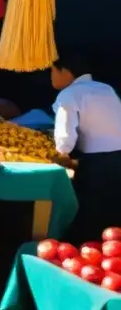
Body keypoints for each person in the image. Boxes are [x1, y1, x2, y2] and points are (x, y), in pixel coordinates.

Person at [50, 52, 121, 241]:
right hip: (117, 161)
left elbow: (64, 135)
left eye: (52, 71)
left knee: (89, 221)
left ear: (65, 71)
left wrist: (61, 154)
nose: (51, 77)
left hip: (97, 168)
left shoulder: (69, 94)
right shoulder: (106, 89)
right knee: (113, 219)